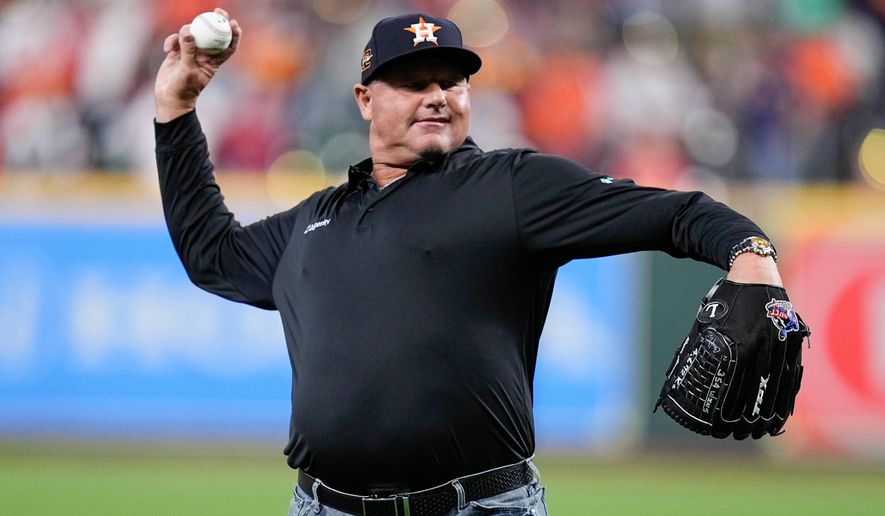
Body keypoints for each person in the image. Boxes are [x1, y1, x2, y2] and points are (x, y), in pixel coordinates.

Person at [154, 9, 784, 516]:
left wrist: (751, 254)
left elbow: (675, 213)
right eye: (413, 83)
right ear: (365, 100)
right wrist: (176, 110)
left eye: (450, 82)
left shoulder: (511, 187)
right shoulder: (316, 220)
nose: (436, 97)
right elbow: (213, 254)